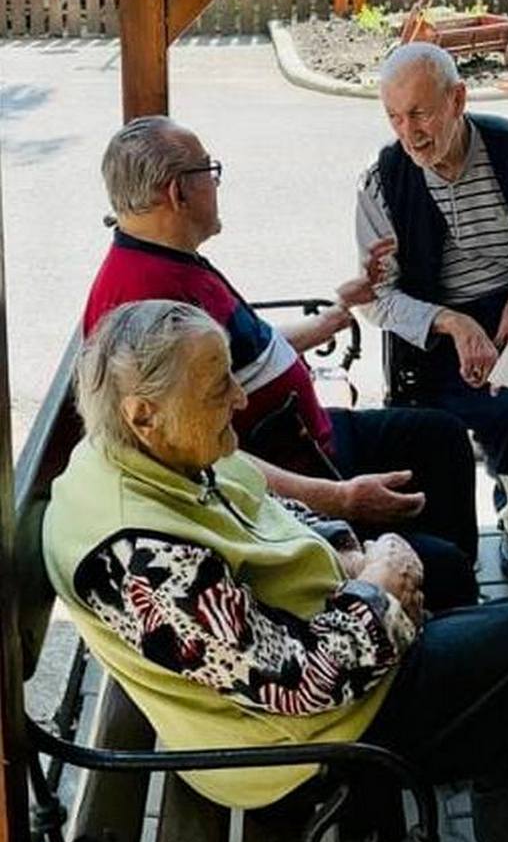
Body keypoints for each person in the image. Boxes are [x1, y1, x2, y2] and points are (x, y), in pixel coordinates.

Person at [48, 303, 508, 842]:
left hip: (323, 655)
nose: (238, 400)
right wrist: (377, 591)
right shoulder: (137, 553)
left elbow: (270, 514)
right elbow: (301, 686)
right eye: (219, 389)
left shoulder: (148, 452)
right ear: (142, 413)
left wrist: (356, 555)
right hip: (293, 745)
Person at [83, 116, 481, 612]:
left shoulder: (168, 257)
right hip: (289, 475)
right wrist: (339, 498)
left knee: (441, 438)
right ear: (177, 192)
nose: (216, 182)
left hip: (306, 435)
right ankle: (442, 622)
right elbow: (206, 455)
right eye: (209, 170)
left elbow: (252, 348)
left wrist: (337, 314)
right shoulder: (144, 298)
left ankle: (452, 606)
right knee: (445, 565)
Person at [354, 42, 508, 588]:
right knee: (507, 408)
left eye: (421, 113)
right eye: (394, 117)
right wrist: (451, 323)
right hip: (440, 329)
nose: (409, 132)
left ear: (458, 99)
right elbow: (377, 298)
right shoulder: (383, 181)